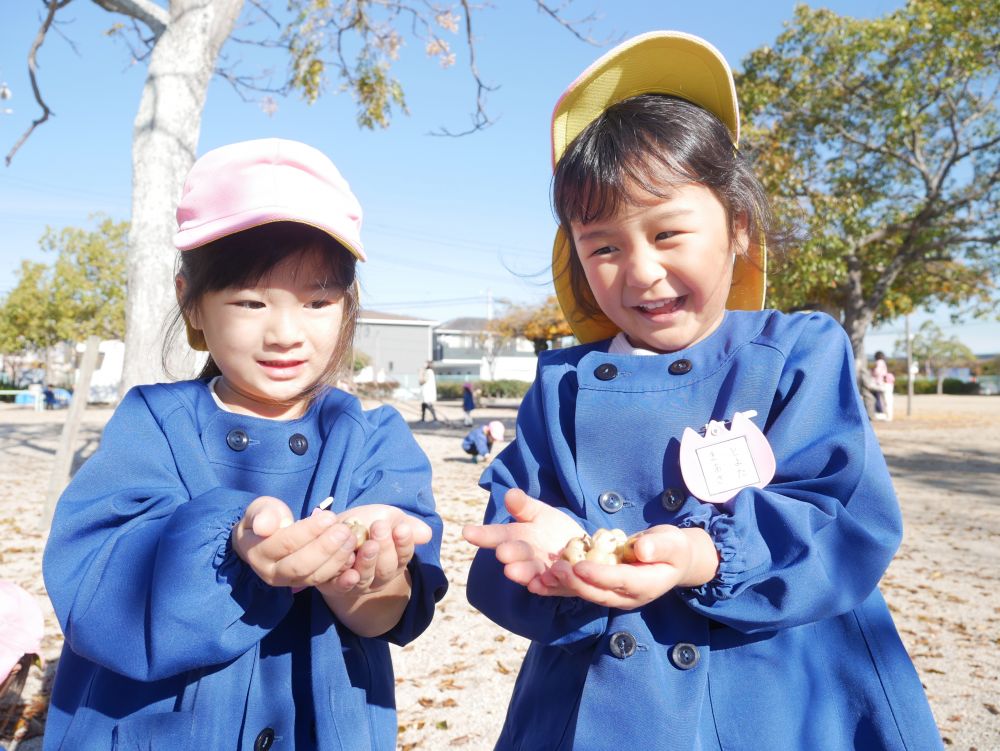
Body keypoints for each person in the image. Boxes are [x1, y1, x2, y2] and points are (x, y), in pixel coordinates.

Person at [462, 32, 941, 751]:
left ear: (738, 227)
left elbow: (844, 516)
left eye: (668, 232)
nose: (642, 271)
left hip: (788, 695)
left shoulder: (795, 353)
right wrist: (552, 563)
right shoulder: (559, 385)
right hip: (603, 701)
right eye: (604, 247)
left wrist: (706, 554)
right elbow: (513, 527)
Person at [42, 138, 448, 750]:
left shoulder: (369, 440)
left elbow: (387, 614)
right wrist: (229, 540)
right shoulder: (153, 422)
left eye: (317, 302)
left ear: (346, 307)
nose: (286, 332)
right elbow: (92, 586)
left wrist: (364, 574)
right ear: (193, 303)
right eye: (252, 301)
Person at [872, 350, 892, 420]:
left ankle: (882, 414)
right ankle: (887, 415)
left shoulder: (879, 362)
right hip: (884, 383)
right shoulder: (883, 363)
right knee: (886, 400)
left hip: (879, 384)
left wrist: (872, 371)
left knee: (879, 399)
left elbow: (877, 372)